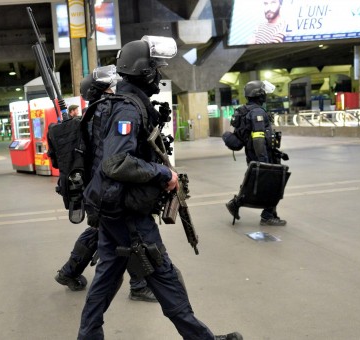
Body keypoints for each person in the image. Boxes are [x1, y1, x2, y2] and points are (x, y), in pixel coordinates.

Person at [77, 36, 242, 340]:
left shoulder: (126, 103)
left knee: (106, 279)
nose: (161, 73)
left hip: (112, 210)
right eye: (157, 67)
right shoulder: (127, 109)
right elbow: (115, 163)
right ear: (144, 70)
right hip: (125, 212)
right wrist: (162, 173)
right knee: (163, 274)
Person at [54, 66, 157, 303]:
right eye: (110, 87)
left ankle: (69, 272)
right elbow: (112, 157)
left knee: (104, 232)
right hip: (105, 188)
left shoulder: (96, 113)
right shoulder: (105, 113)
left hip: (98, 188)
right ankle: (139, 285)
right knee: (129, 235)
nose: (115, 89)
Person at [226, 80, 287, 226]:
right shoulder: (258, 112)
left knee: (256, 182)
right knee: (272, 183)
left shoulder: (246, 109)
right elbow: (259, 138)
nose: (266, 95)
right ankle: (267, 215)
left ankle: (238, 204)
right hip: (261, 154)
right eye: (264, 93)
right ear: (259, 95)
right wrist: (264, 161)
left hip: (256, 153)